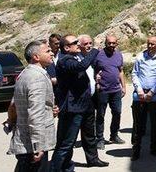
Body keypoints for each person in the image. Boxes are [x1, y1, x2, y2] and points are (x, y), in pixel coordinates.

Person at [50, 34, 108, 171]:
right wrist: (94, 50)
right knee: (67, 142)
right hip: (73, 107)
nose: (78, 44)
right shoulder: (65, 60)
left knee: (89, 134)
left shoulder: (74, 57)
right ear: (66, 47)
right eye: (75, 42)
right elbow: (81, 66)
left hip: (85, 102)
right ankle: (57, 168)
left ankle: (92, 159)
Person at [8, 41, 57, 172]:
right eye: (47, 51)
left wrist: (49, 109)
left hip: (27, 142)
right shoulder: (36, 77)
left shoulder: (26, 73)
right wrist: (38, 145)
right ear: (36, 57)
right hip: (31, 145)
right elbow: (35, 114)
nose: (52, 53)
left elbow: (17, 104)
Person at [130, 35, 156, 161]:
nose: (150, 46)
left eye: (153, 44)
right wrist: (139, 90)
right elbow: (135, 73)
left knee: (154, 123)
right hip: (140, 94)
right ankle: (136, 150)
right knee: (138, 124)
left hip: (153, 95)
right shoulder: (141, 57)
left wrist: (152, 92)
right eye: (148, 43)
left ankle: (154, 148)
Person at [93, 34, 126, 148]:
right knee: (101, 115)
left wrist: (124, 86)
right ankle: (100, 139)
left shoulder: (119, 55)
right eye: (109, 43)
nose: (111, 45)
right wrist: (96, 82)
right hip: (103, 90)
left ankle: (114, 135)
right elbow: (94, 70)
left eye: (113, 43)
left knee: (117, 113)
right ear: (105, 43)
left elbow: (121, 71)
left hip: (116, 90)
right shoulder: (98, 55)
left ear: (117, 43)